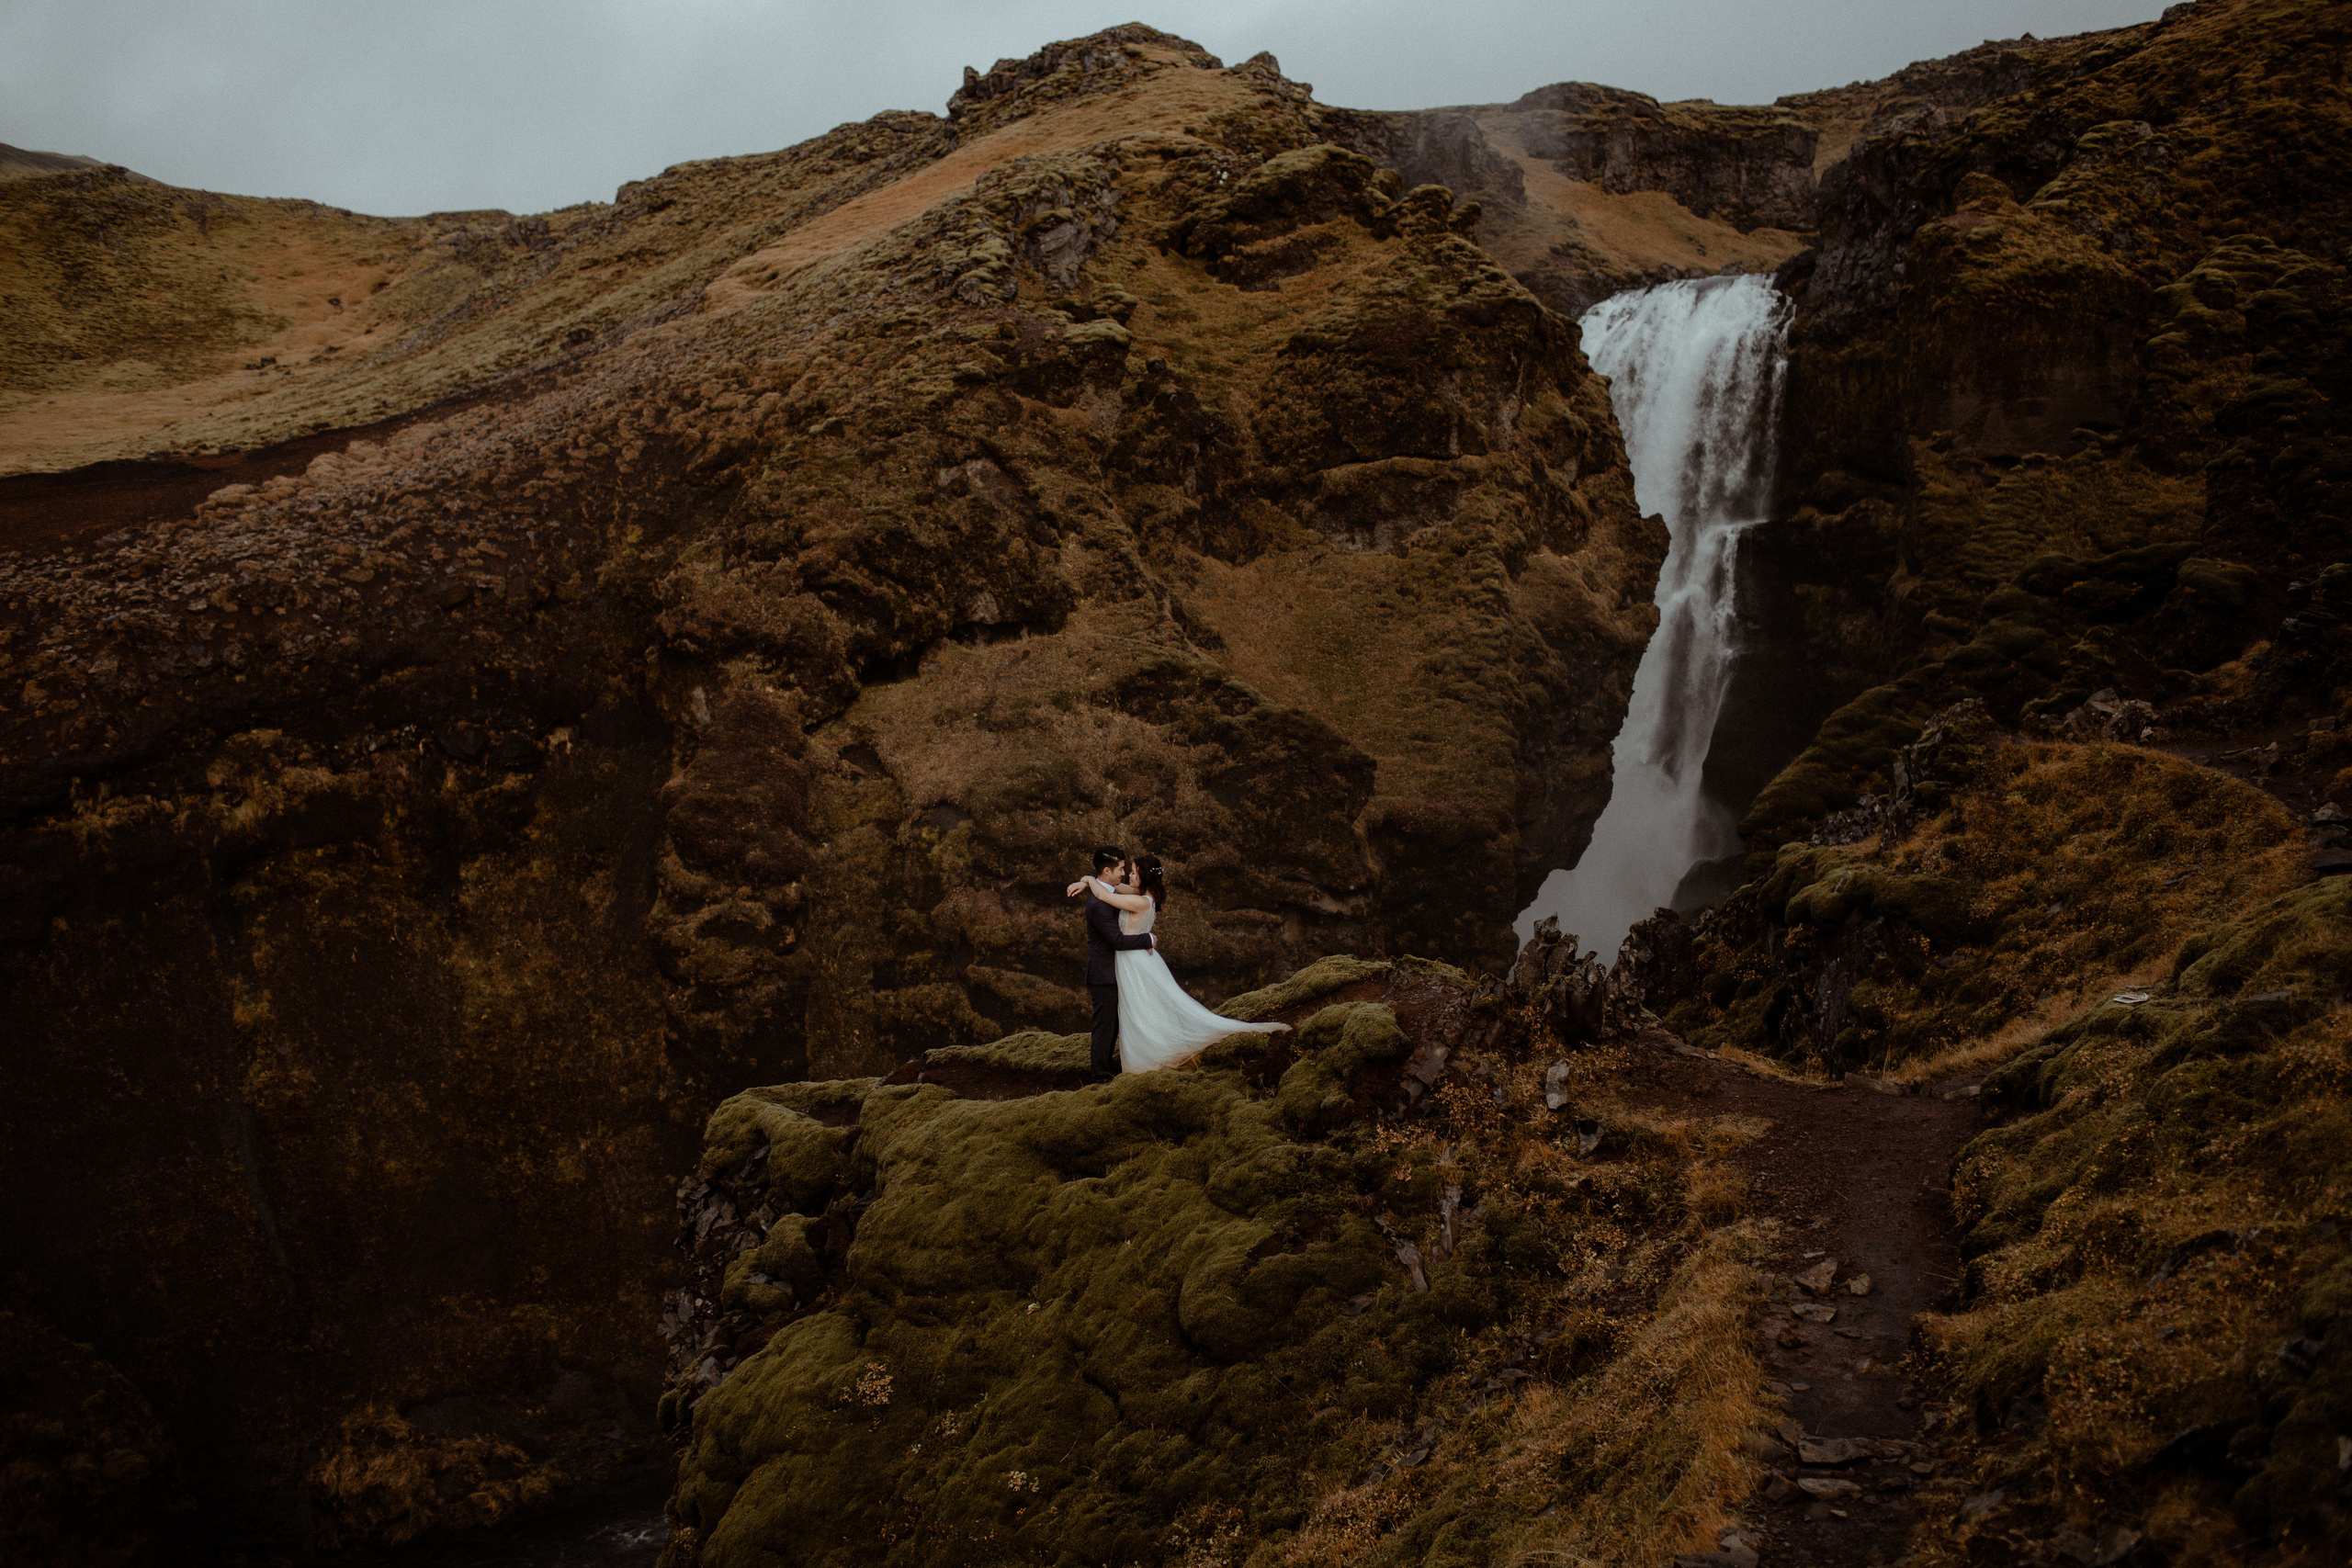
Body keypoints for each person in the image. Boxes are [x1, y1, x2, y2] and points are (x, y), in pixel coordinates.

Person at [1066, 852, 1289, 1072]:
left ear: (1143, 876)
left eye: (1132, 872)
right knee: (1140, 1010)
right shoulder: (1142, 894)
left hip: (1132, 961)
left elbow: (1105, 896)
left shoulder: (1139, 900)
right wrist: (1087, 880)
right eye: (1126, 870)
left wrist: (1088, 880)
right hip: (1135, 959)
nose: (1127, 876)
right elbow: (1110, 891)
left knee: (1140, 1011)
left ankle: (1149, 1054)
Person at [1077, 846, 1157, 1084]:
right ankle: (1099, 1076)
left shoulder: (1110, 892)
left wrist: (1086, 880)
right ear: (1106, 871)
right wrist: (1147, 939)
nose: (1123, 873)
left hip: (1116, 971)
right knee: (1105, 1026)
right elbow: (1117, 941)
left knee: (1114, 1024)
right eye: (1121, 869)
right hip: (1103, 974)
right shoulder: (1099, 904)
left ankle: (1107, 1065)